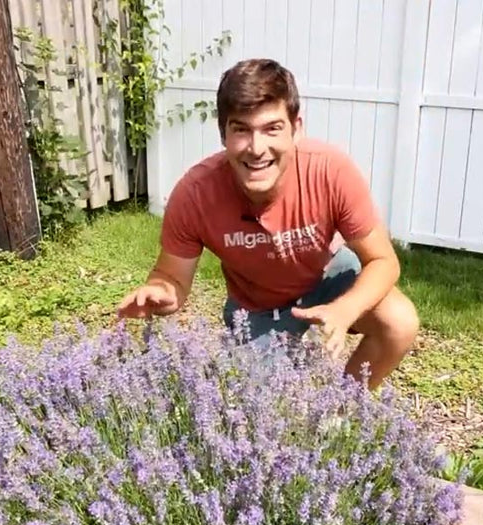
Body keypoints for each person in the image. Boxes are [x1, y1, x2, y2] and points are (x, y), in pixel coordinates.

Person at [116, 58, 419, 390]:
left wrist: (345, 310)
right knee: (242, 410)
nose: (257, 148)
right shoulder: (196, 193)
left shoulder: (330, 171)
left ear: (296, 129)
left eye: (272, 128)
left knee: (399, 322)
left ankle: (339, 415)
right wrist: (161, 293)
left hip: (328, 277)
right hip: (257, 308)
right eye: (241, 129)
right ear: (223, 134)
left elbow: (383, 260)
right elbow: (171, 276)